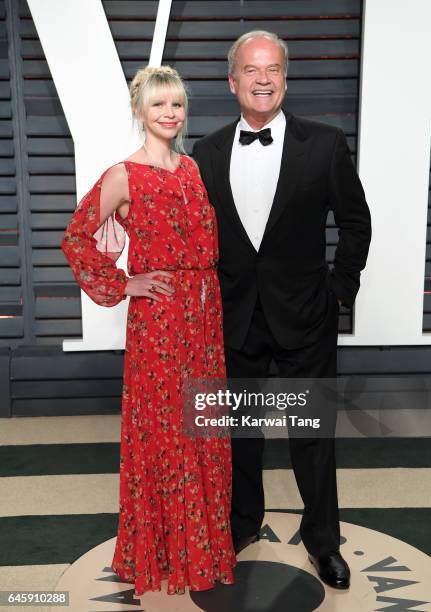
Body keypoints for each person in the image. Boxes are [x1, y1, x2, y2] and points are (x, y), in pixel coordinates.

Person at [192, 31, 371, 590]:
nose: (262, 79)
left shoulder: (324, 143)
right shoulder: (208, 151)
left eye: (272, 69)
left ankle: (323, 543)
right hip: (236, 317)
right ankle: (242, 524)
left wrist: (338, 290)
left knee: (312, 437)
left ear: (285, 79)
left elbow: (355, 221)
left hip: (305, 316)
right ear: (233, 81)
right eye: (251, 70)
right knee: (241, 434)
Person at [61, 65, 236, 596]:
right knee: (166, 428)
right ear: (140, 111)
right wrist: (126, 283)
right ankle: (164, 555)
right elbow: (77, 238)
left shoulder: (191, 169)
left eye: (177, 104)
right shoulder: (124, 175)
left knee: (203, 425)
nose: (169, 113)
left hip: (204, 315)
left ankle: (202, 550)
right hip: (159, 320)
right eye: (159, 105)